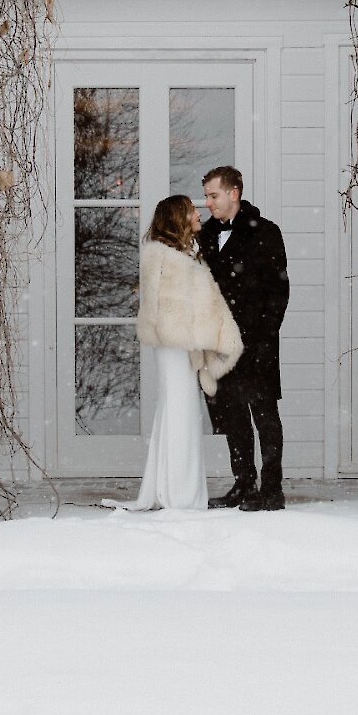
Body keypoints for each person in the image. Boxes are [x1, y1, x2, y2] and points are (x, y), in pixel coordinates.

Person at [116, 195, 242, 512]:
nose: (198, 213)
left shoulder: (187, 253)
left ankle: (174, 489)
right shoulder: (161, 255)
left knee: (180, 412)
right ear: (178, 218)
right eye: (191, 210)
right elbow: (157, 307)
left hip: (184, 343)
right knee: (179, 412)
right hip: (174, 345)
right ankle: (179, 494)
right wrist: (183, 331)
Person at [197, 166, 290, 511]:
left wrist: (264, 334)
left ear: (234, 193)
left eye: (213, 195)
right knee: (232, 416)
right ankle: (243, 484)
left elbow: (278, 289)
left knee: (264, 415)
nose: (208, 203)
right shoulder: (205, 236)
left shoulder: (265, 232)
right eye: (206, 196)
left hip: (256, 342)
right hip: (218, 345)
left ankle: (272, 490)